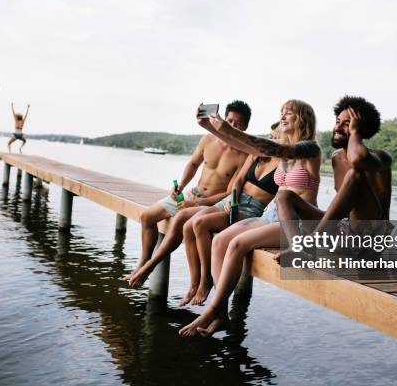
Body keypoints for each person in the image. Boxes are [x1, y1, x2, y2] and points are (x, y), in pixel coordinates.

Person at [179, 99, 321, 337]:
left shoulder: (310, 149)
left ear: (303, 119)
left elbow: (274, 148)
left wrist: (226, 128)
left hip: (295, 223)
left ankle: (211, 309)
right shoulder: (282, 151)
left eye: (289, 113)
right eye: (281, 113)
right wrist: (210, 127)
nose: (283, 117)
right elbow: (248, 146)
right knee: (220, 241)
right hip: (270, 216)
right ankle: (222, 312)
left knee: (237, 244)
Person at [126, 101, 252, 288]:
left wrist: (198, 204)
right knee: (146, 217)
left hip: (211, 204)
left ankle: (197, 280)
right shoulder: (208, 140)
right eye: (230, 121)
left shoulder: (245, 154)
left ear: (245, 127)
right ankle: (143, 262)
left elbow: (229, 192)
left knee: (182, 224)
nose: (232, 126)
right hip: (192, 194)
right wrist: (181, 186)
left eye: (238, 124)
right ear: (223, 119)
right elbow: (193, 164)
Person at [275, 96, 392, 260]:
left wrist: (355, 132)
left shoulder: (380, 157)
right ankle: (298, 248)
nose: (338, 127)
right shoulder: (337, 158)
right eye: (338, 121)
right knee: (284, 196)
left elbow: (357, 159)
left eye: (347, 123)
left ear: (359, 129)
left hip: (369, 240)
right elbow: (341, 211)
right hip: (342, 233)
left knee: (355, 174)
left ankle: (310, 245)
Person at [179, 133, 280, 306]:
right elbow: (238, 180)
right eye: (270, 135)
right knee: (188, 226)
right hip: (233, 200)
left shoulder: (283, 163)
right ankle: (194, 282)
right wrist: (233, 199)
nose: (270, 139)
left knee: (200, 223)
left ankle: (206, 281)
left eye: (275, 136)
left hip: (251, 208)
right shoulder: (255, 155)